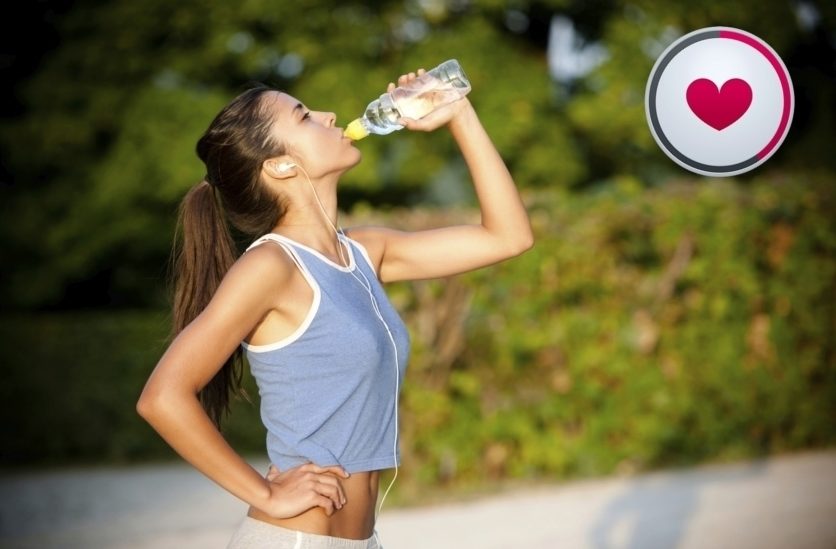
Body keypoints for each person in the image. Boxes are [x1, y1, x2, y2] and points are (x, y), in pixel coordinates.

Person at [136, 68, 533, 549]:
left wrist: (460, 116)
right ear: (281, 166)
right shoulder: (271, 266)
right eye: (304, 116)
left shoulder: (364, 252)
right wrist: (266, 493)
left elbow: (509, 236)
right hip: (299, 539)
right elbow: (162, 397)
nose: (328, 115)